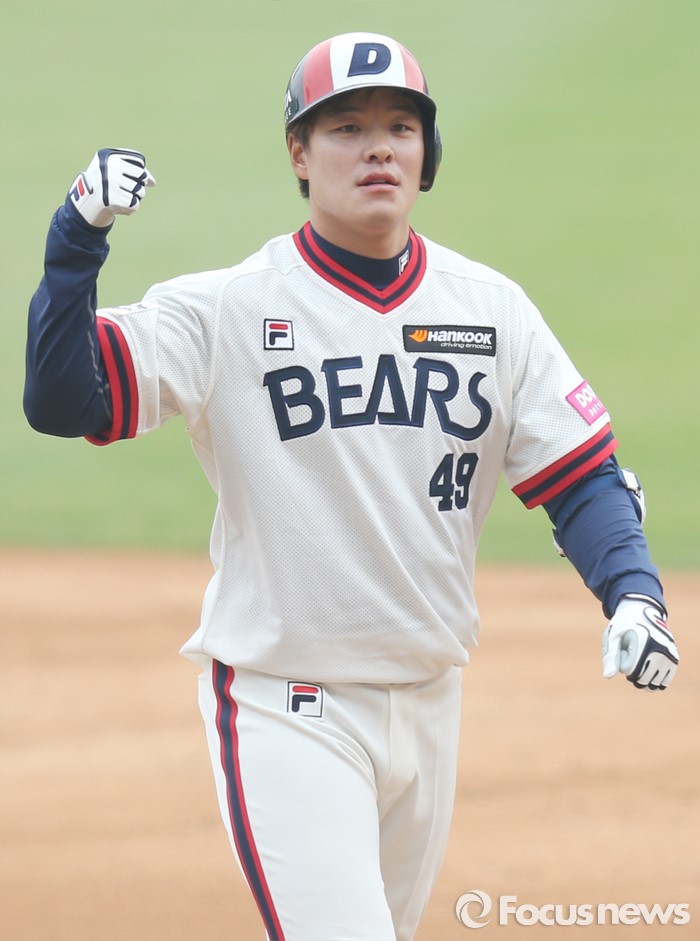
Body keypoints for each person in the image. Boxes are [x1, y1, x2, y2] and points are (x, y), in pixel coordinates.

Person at [24, 31, 679, 941]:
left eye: (400, 127)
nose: (378, 148)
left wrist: (634, 592)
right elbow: (66, 401)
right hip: (286, 706)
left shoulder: (490, 310)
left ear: (427, 152)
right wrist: (76, 238)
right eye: (347, 128)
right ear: (299, 153)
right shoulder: (232, 306)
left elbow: (581, 476)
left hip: (429, 700)